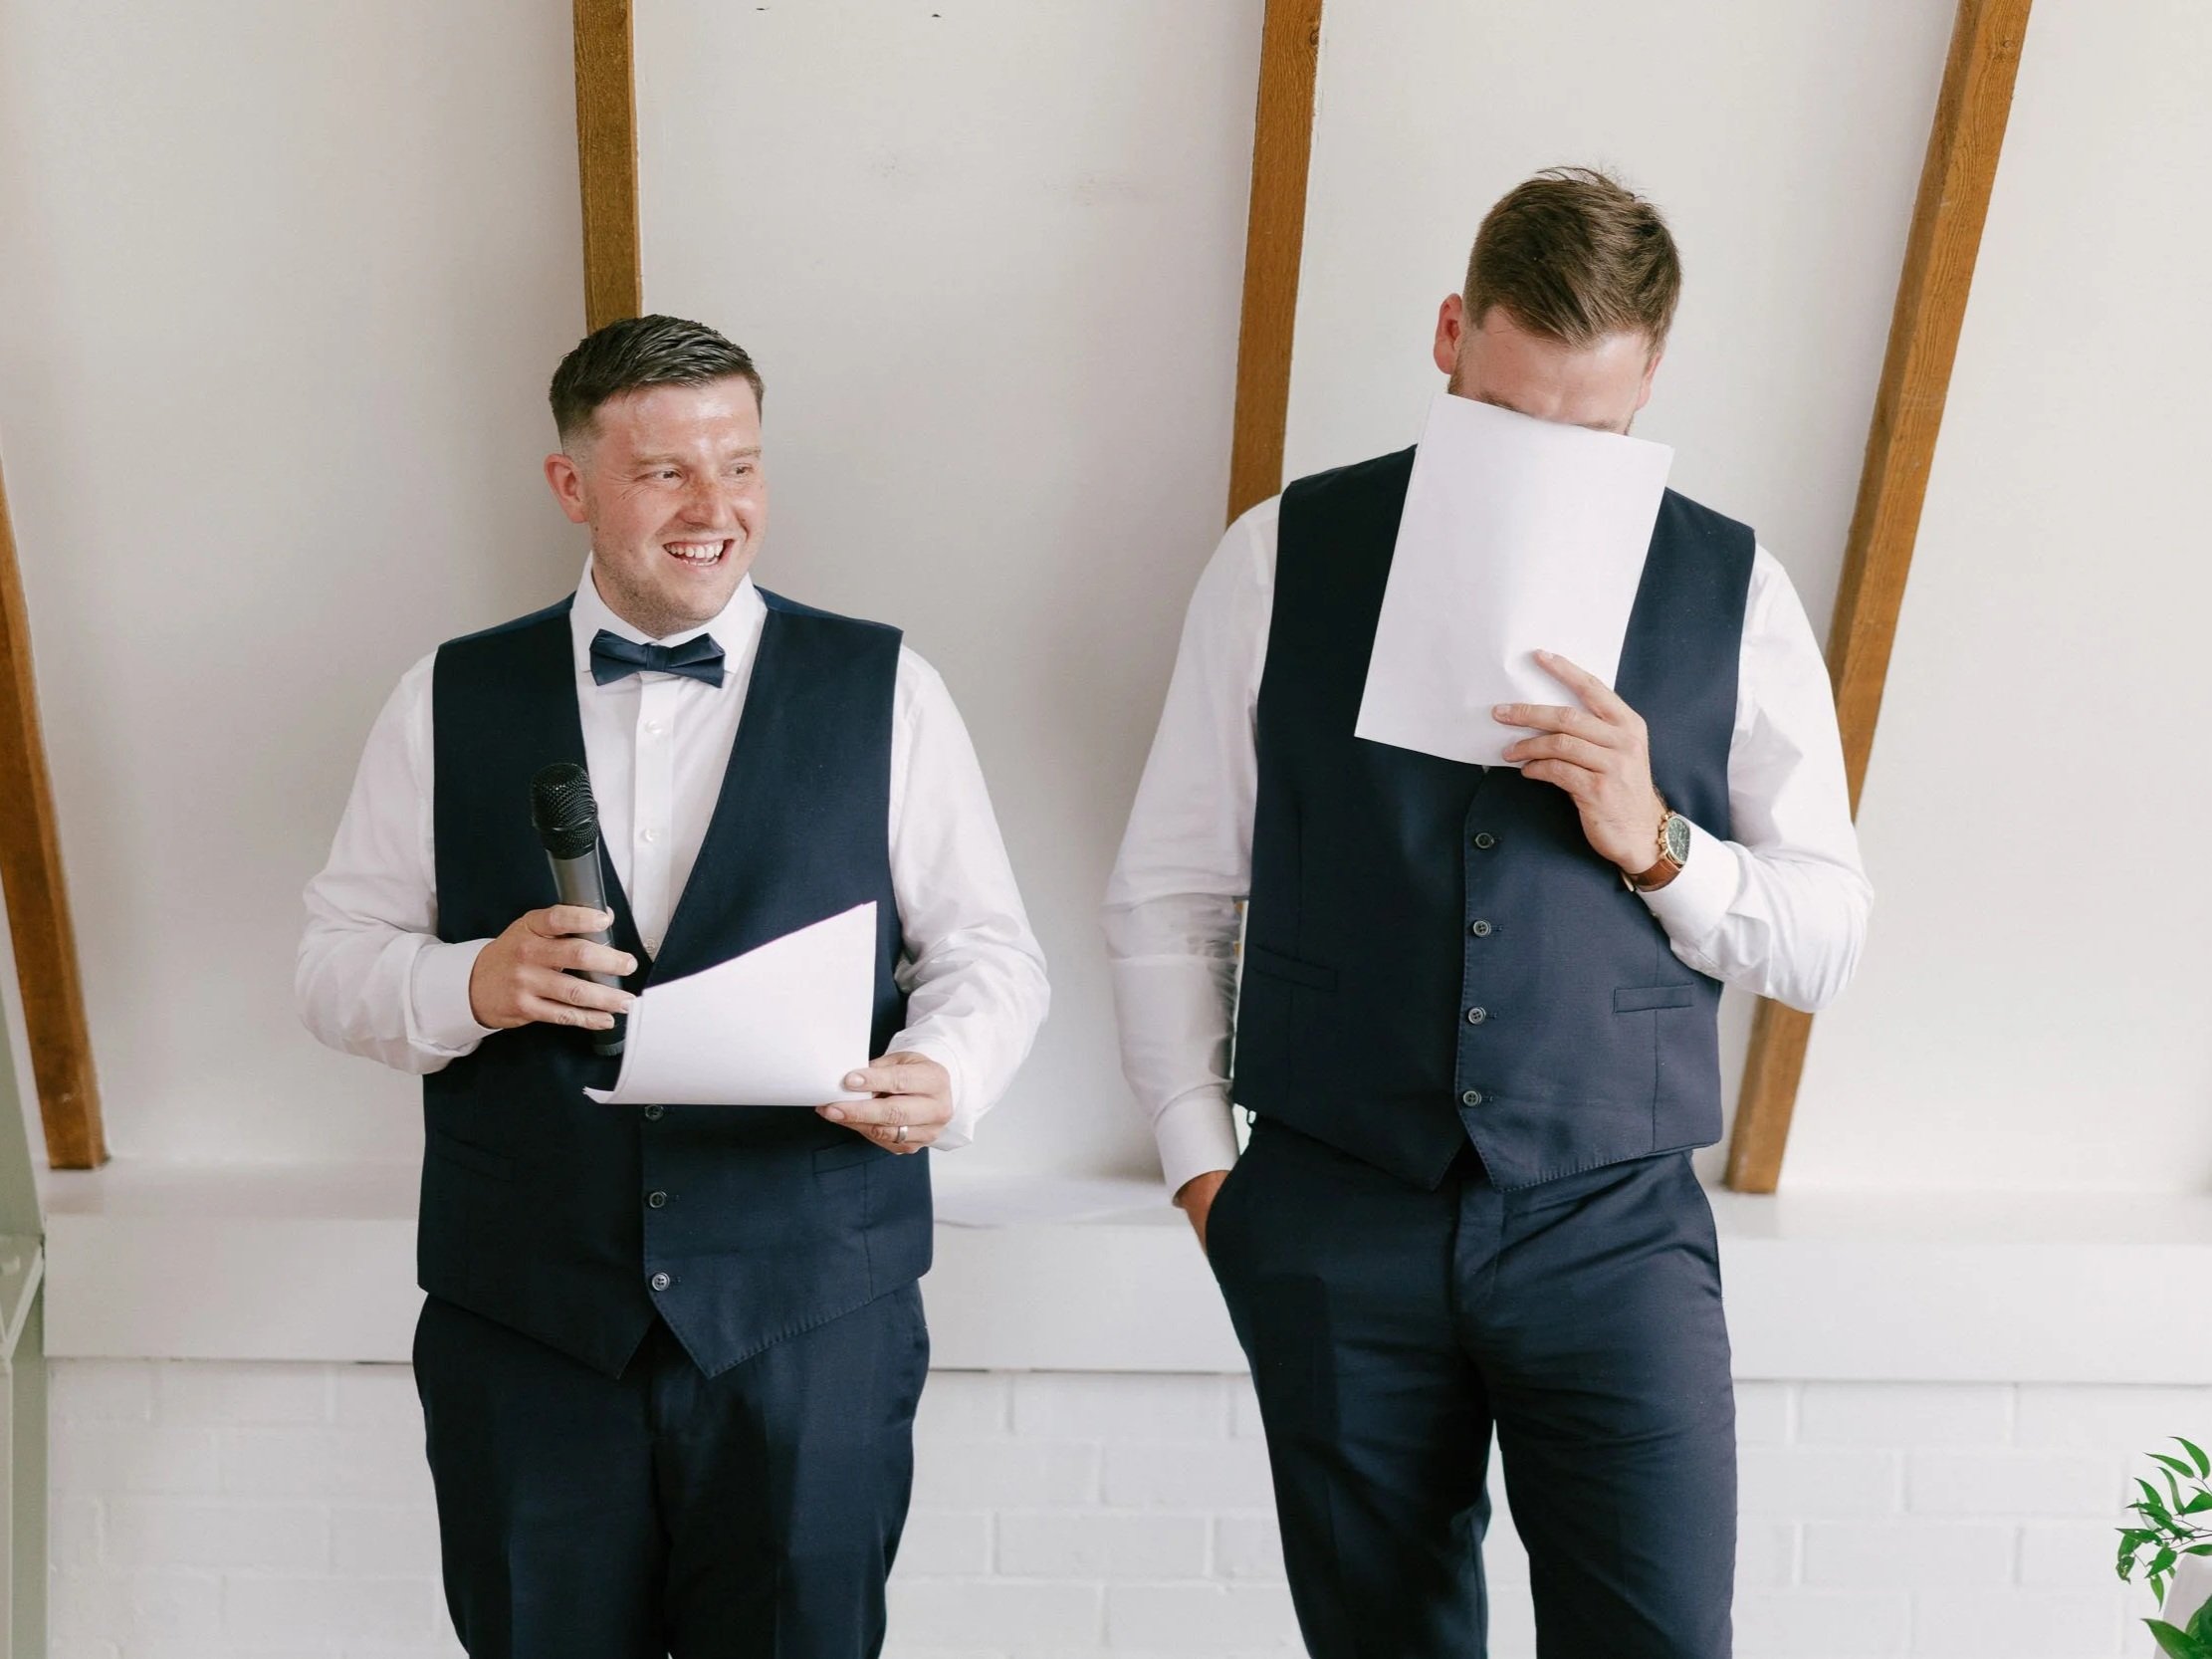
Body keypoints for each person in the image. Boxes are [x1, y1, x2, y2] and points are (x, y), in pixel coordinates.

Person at [1105, 168, 1872, 1656]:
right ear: (1451, 335)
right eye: (1510, 421)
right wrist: (1212, 1177)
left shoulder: (1733, 585)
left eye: (1589, 435)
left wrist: (1656, 841)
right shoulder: (1280, 554)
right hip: (1334, 1212)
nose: (1545, 465)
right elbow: (1173, 882)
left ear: (1650, 376)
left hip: (1611, 1223)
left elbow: (1827, 938)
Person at [298, 314, 1048, 1659]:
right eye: (665, 474)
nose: (716, 511)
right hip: (526, 1322)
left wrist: (945, 1070)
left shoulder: (890, 689)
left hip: (810, 1316)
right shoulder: (444, 695)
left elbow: (990, 952)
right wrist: (474, 978)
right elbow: (332, 960)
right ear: (571, 485)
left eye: (742, 466)